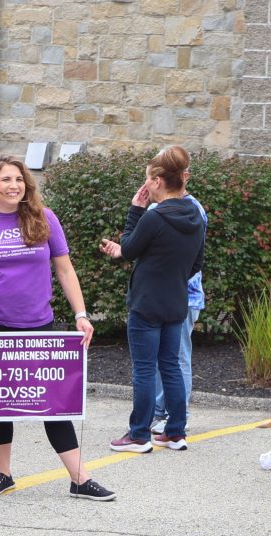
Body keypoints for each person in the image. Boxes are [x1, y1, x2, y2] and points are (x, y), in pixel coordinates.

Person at [0, 155, 115, 501]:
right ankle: (3, 474)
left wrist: (82, 314)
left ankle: (79, 478)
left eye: (19, 179)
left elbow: (65, 270)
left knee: (52, 400)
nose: (14, 186)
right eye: (6, 179)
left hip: (36, 324)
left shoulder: (44, 218)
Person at [105, 145, 204, 454]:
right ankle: (175, 432)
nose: (145, 184)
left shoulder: (154, 217)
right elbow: (196, 264)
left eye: (148, 178)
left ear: (159, 181)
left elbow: (129, 249)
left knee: (145, 369)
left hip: (147, 302)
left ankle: (138, 435)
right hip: (176, 301)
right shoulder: (195, 215)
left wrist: (135, 211)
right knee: (171, 366)